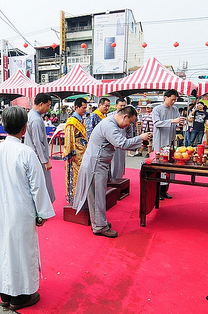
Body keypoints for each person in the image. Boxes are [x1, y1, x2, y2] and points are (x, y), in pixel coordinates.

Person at [0, 106, 54, 310]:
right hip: (22, 210)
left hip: (1, 209)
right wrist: (41, 214)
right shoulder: (26, 153)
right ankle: (21, 296)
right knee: (22, 252)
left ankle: (5, 293)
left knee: (4, 249)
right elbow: (38, 187)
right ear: (24, 129)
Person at [73, 106, 150, 238]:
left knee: (98, 195)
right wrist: (140, 138)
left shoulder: (110, 122)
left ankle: (99, 223)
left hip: (98, 163)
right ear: (124, 116)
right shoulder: (109, 125)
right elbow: (122, 143)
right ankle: (99, 227)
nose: (128, 125)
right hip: (96, 164)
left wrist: (139, 142)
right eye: (129, 122)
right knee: (98, 196)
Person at [152, 89, 186, 200]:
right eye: (172, 100)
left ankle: (165, 190)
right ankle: (157, 191)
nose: (173, 102)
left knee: (170, 166)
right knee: (160, 166)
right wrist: (172, 121)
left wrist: (180, 122)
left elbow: (176, 121)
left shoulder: (175, 109)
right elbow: (157, 123)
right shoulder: (157, 109)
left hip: (171, 140)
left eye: (175, 100)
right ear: (165, 97)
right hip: (160, 141)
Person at [24, 93, 56, 203]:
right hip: (37, 157)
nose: (48, 108)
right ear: (41, 104)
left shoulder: (31, 115)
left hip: (32, 154)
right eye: (48, 105)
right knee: (41, 182)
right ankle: (42, 206)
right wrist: (45, 161)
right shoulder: (36, 119)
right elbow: (38, 142)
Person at [63, 98, 88, 204]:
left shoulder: (80, 120)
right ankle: (74, 197)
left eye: (86, 108)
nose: (85, 110)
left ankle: (81, 195)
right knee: (74, 176)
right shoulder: (71, 121)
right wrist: (70, 154)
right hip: (75, 154)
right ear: (76, 107)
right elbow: (68, 140)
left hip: (82, 152)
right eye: (83, 108)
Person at [109, 97, 135, 179]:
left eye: (124, 105)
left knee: (120, 163)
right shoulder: (110, 116)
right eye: (120, 105)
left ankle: (118, 180)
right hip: (111, 143)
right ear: (116, 105)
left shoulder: (127, 117)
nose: (122, 107)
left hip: (122, 143)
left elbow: (130, 131)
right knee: (111, 163)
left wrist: (130, 141)